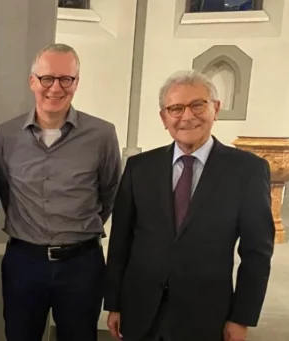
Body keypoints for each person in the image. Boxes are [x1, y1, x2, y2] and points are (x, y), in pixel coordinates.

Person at [104, 70, 274, 341]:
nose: (187, 116)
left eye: (198, 105)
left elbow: (257, 253)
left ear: (215, 108)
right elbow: (121, 241)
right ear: (164, 117)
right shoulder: (140, 168)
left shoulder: (247, 171)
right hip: (141, 311)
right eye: (176, 108)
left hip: (205, 317)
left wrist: (241, 317)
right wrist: (113, 303)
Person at [0, 43, 122, 341]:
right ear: (32, 81)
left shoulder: (102, 134)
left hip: (81, 265)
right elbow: (5, 188)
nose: (55, 88)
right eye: (47, 78)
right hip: (24, 261)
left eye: (66, 79)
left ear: (76, 83)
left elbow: (110, 193)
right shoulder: (7, 134)